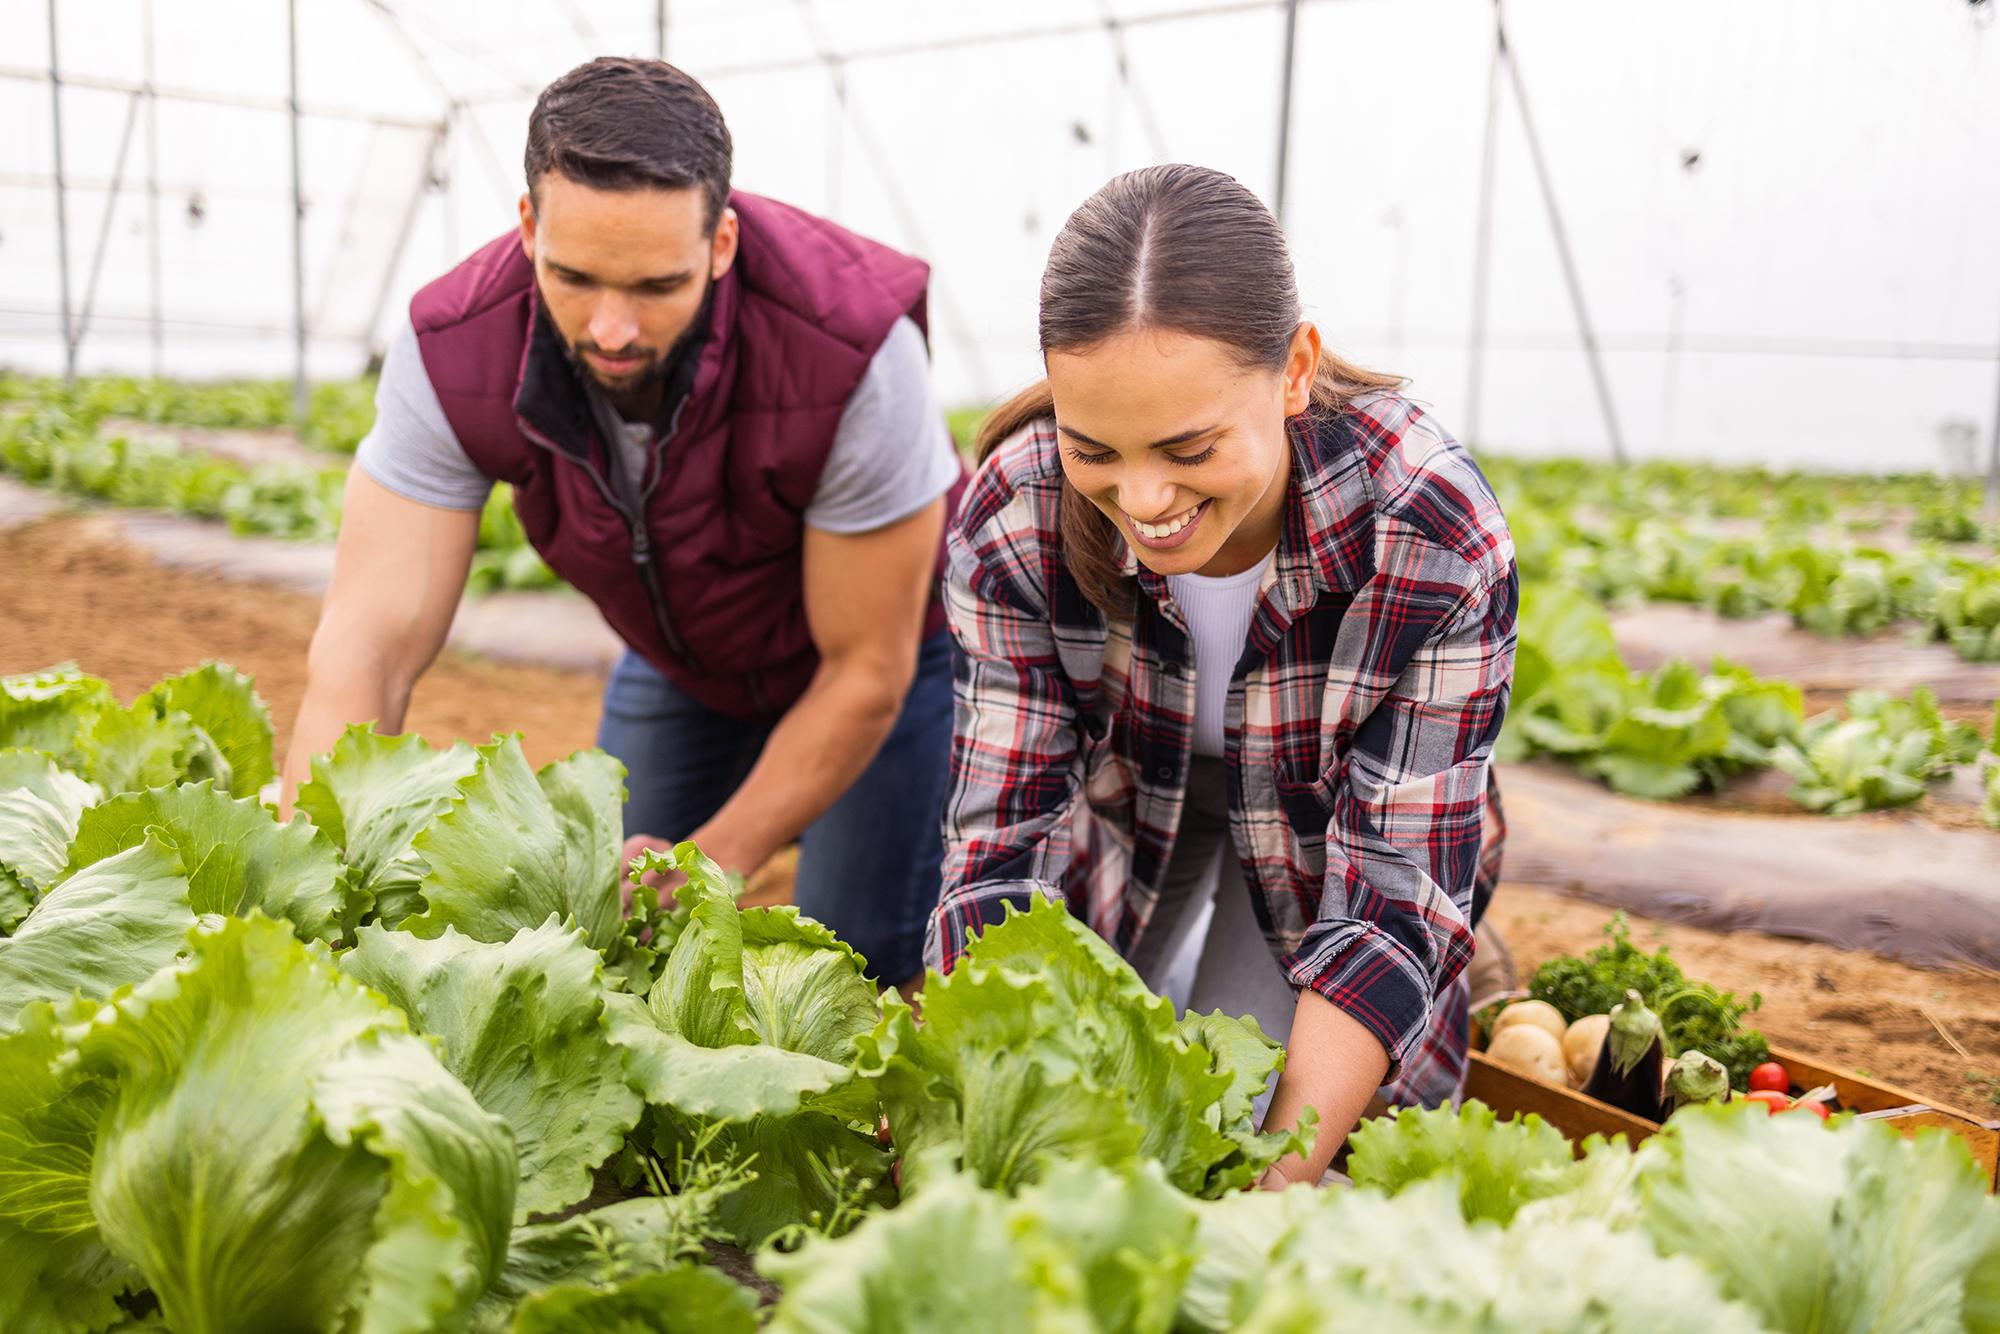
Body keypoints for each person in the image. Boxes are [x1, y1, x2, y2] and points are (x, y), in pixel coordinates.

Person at [282, 58, 963, 987]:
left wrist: (714, 859)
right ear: (528, 229)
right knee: (599, 923)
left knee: (849, 955)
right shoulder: (451, 350)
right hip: (685, 660)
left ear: (720, 244)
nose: (610, 328)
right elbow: (368, 647)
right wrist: (313, 869)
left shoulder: (850, 347)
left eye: (654, 286)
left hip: (888, 660)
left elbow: (865, 673)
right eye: (575, 277)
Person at [925, 165, 1516, 1185]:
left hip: (1324, 830)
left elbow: (1388, 894)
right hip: (1127, 806)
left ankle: (1461, 966)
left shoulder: (1426, 526)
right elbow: (998, 841)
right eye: (1093, 447)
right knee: (1086, 1107)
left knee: (1247, 1125)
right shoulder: (1012, 512)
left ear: (1293, 369)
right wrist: (978, 1106)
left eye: (1187, 446)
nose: (1143, 497)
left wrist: (1264, 1186)